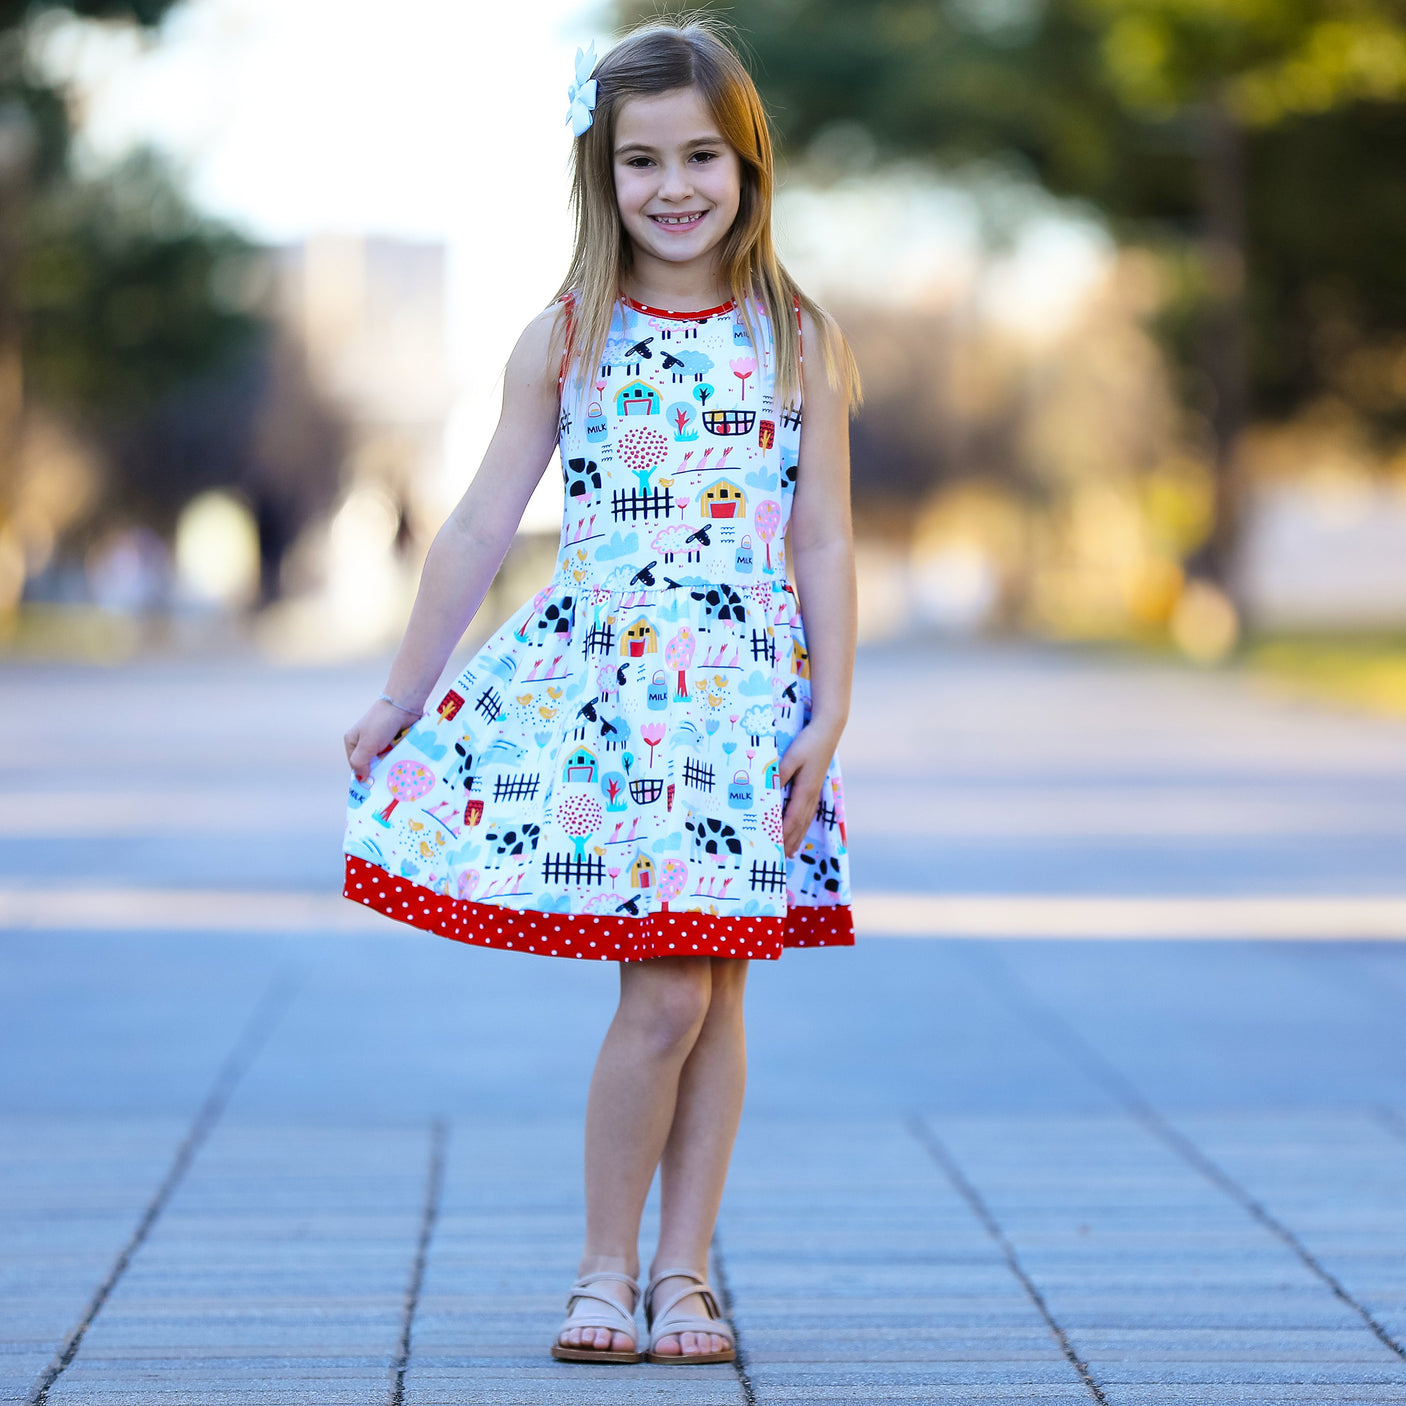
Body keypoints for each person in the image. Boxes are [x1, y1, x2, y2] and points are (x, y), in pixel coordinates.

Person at [341, 16, 860, 1367]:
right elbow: (474, 526)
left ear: (749, 165)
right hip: (619, 708)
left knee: (718, 990)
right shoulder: (567, 334)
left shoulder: (794, 337)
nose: (674, 186)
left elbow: (820, 538)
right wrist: (403, 692)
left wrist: (830, 712)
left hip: (747, 707)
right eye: (642, 161)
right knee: (668, 993)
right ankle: (603, 1267)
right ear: (601, 170)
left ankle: (682, 1275)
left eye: (702, 156)